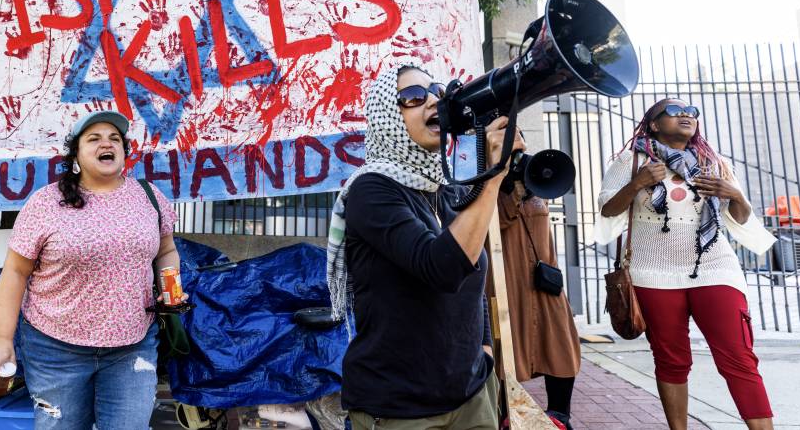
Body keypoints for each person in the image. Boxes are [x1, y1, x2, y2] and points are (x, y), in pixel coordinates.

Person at [327, 61, 523, 429]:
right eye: (413, 97)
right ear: (387, 114)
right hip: (399, 409)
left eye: (436, 92)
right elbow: (442, 268)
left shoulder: (446, 189)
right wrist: (493, 180)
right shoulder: (371, 191)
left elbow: (471, 275)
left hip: (471, 395)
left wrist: (483, 350)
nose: (432, 100)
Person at [0, 110, 182, 430]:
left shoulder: (149, 197)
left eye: (115, 138)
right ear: (76, 154)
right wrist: (2, 339)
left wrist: (172, 290)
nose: (107, 143)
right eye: (94, 138)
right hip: (56, 350)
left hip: (133, 346)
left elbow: (166, 250)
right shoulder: (46, 203)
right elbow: (15, 272)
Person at [596, 98, 776, 430]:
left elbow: (738, 217)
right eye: (676, 111)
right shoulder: (630, 161)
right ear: (653, 124)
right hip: (654, 275)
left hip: (715, 268)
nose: (686, 116)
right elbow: (608, 210)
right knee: (671, 360)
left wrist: (734, 194)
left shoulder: (713, 161)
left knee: (739, 358)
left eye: (692, 112)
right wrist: (637, 183)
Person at [498, 174, 580, 429]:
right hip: (508, 281)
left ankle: (560, 417)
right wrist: (512, 192)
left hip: (545, 282)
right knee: (506, 359)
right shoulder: (483, 186)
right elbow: (496, 221)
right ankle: (507, 416)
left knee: (561, 348)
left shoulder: (536, 182)